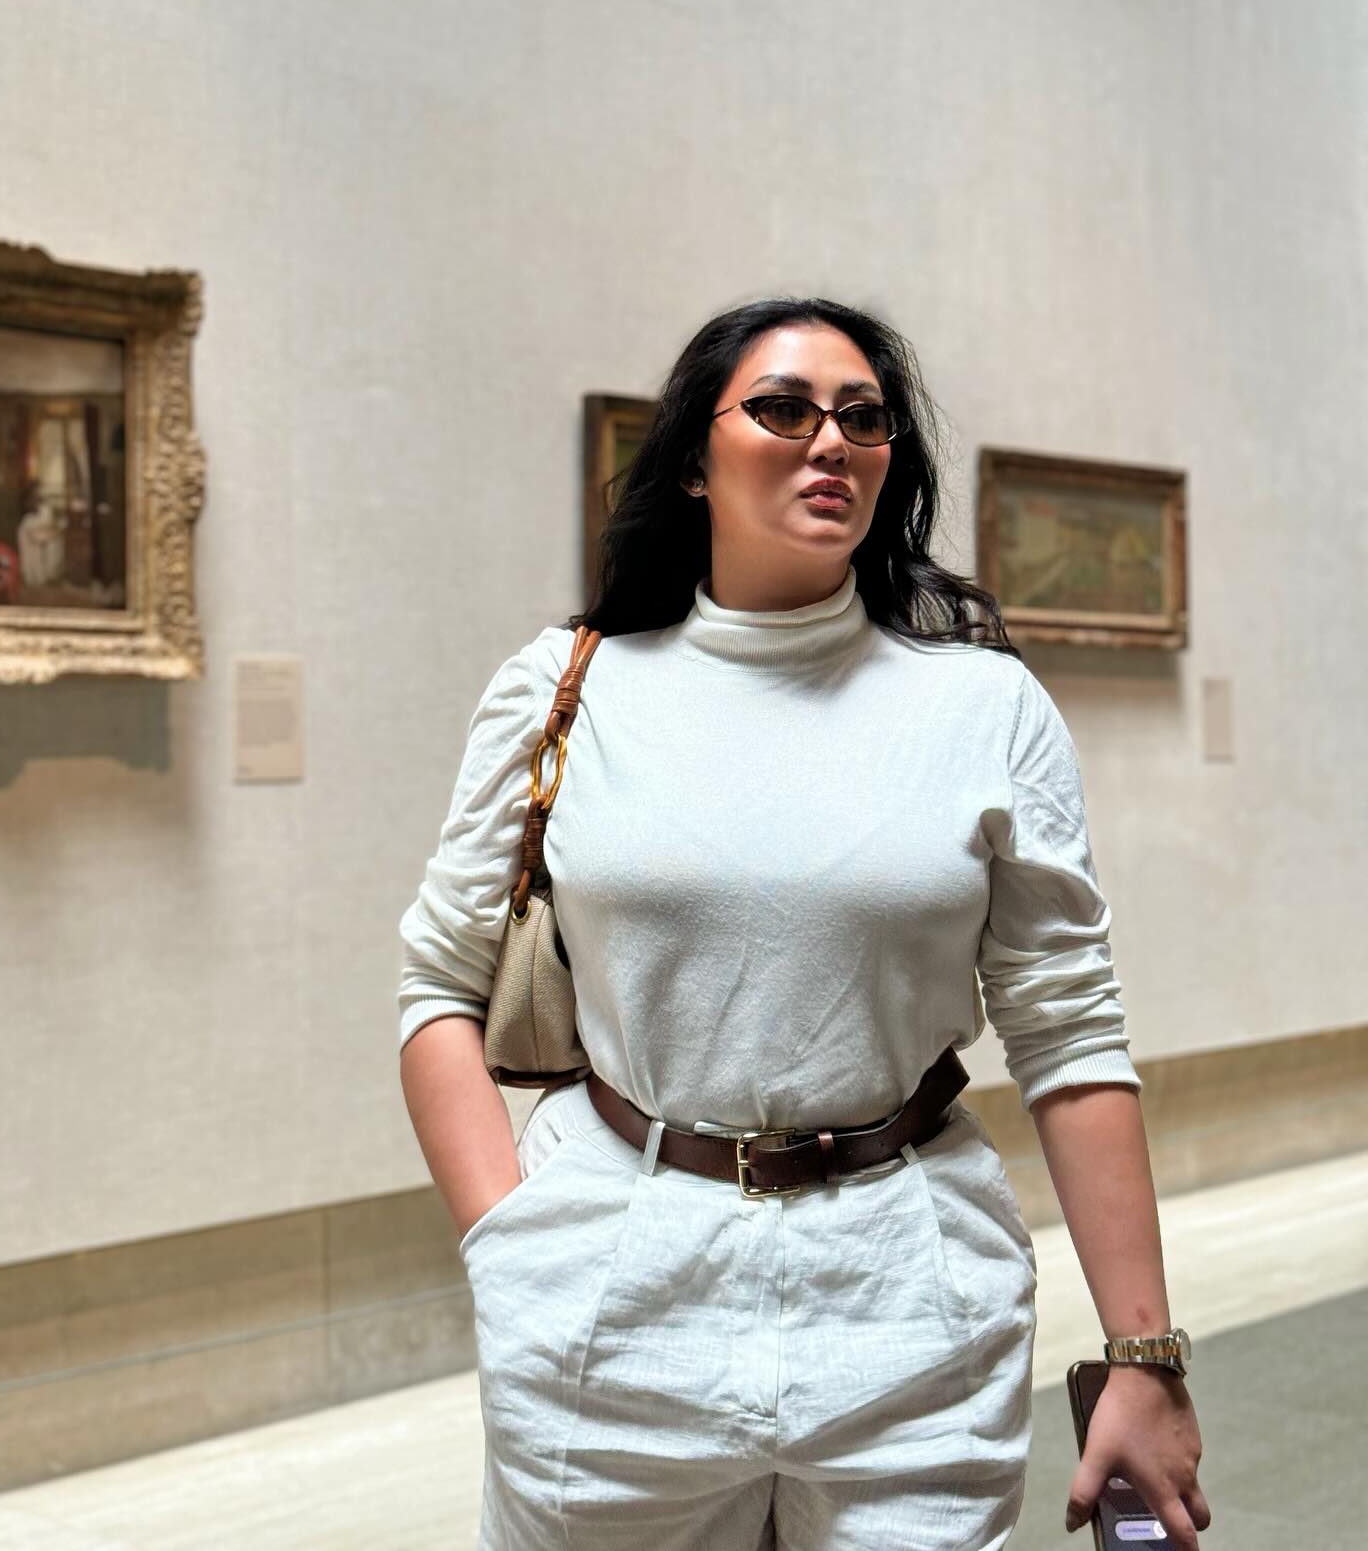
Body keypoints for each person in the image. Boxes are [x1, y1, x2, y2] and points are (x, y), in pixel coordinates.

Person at [397, 297, 1211, 1551]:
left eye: (864, 417)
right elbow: (440, 988)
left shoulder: (982, 706)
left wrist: (1144, 1354)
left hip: (907, 1285)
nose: (830, 440)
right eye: (783, 408)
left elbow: (1070, 1032)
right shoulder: (568, 687)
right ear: (693, 457)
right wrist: (512, 1243)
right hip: (612, 1276)